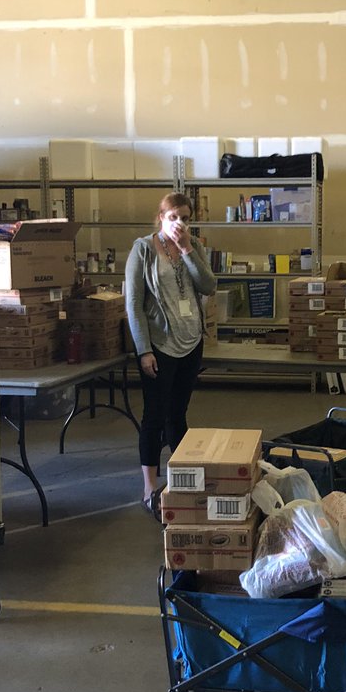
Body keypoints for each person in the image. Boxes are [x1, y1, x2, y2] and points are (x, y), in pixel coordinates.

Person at [125, 193, 216, 518]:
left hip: (191, 342)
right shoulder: (143, 249)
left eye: (186, 217)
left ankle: (180, 480)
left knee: (178, 414)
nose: (180, 223)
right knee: (154, 416)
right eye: (174, 216)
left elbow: (208, 286)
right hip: (159, 348)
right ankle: (150, 486)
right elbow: (133, 304)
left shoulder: (194, 246)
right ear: (161, 217)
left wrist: (189, 249)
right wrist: (143, 350)